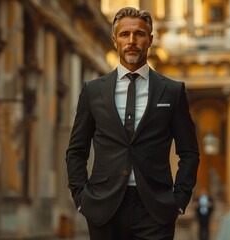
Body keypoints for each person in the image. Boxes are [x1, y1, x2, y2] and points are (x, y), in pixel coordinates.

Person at [65, 7, 200, 240]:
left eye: (139, 34)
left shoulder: (172, 91)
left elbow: (189, 152)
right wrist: (81, 198)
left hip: (155, 209)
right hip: (104, 208)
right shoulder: (93, 91)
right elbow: (76, 150)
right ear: (114, 40)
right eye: (125, 34)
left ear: (150, 40)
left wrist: (179, 200)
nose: (132, 41)